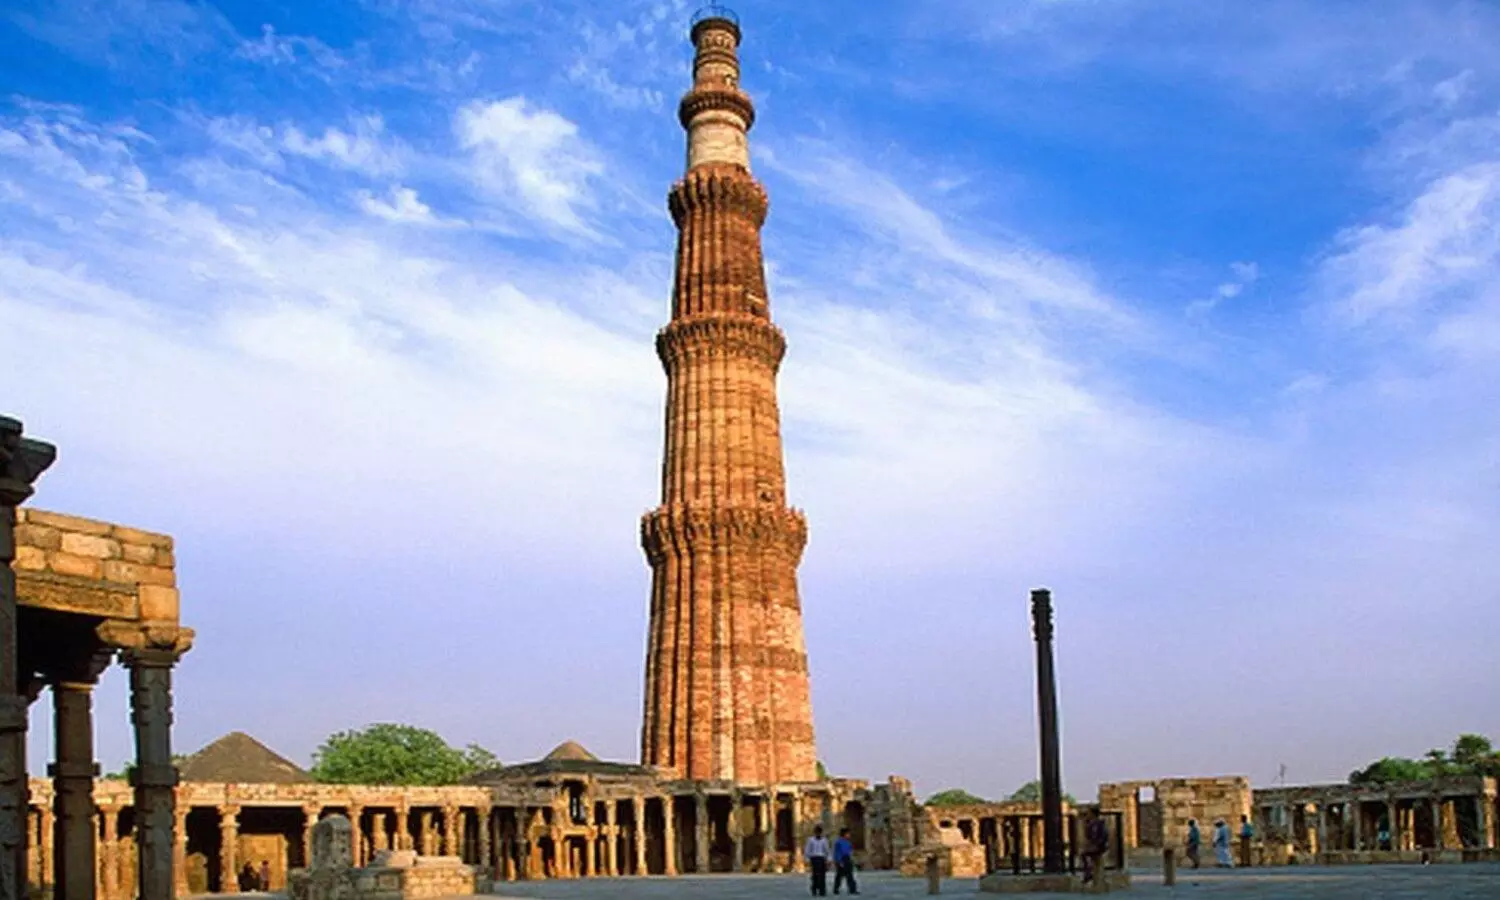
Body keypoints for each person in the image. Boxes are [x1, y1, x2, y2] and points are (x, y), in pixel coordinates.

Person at [1082, 809, 1109, 884]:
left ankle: (1089, 873)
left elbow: (1103, 836)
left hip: (1099, 846)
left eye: (1089, 813)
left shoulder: (1099, 824)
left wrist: (1097, 844)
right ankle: (1089, 873)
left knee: (1085, 855)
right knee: (1085, 855)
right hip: (1094, 846)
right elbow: (1088, 836)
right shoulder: (1091, 824)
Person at [804, 825, 831, 896]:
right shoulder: (811, 840)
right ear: (815, 832)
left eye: (819, 832)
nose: (818, 834)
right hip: (814, 858)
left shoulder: (824, 840)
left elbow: (827, 850)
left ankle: (822, 890)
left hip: (821, 858)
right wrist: (807, 859)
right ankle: (814, 889)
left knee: (822, 875)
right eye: (817, 832)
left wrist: (828, 859)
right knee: (815, 875)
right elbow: (807, 850)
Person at [832, 827, 858, 895]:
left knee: (850, 875)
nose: (849, 835)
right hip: (841, 859)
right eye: (848, 834)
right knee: (839, 876)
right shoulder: (838, 842)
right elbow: (837, 852)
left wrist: (852, 859)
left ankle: (852, 889)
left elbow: (850, 851)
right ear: (844, 834)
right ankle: (836, 889)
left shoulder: (848, 842)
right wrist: (839, 861)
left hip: (847, 859)